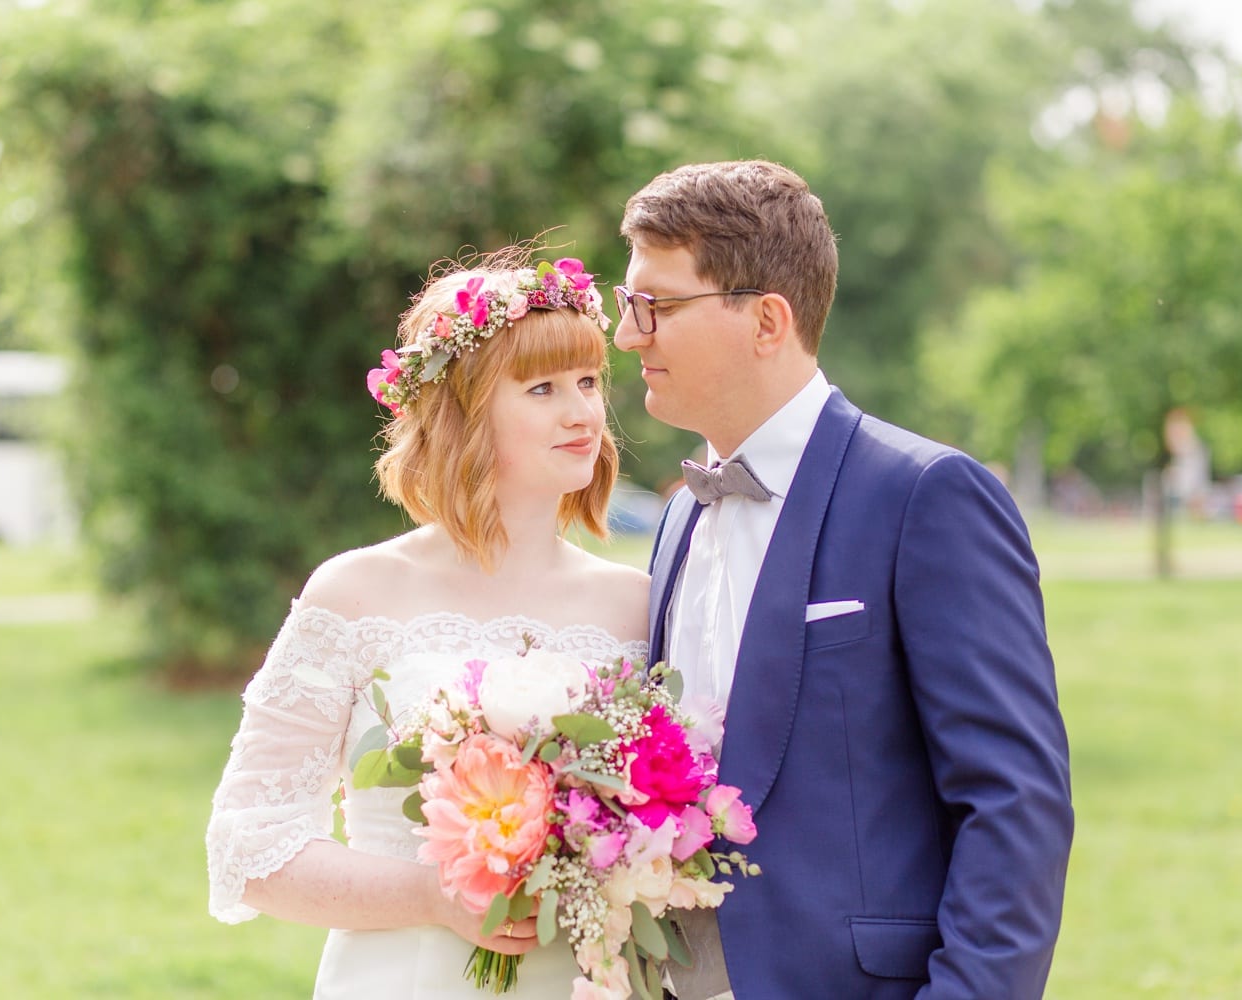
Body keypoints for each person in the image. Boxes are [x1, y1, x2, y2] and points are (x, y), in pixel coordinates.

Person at [613, 161, 1074, 999]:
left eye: (657, 306)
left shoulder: (925, 495)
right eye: (627, 305)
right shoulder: (678, 517)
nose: (629, 334)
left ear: (765, 320)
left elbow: (1013, 805)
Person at [205, 249, 650, 998]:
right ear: (464, 414)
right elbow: (248, 845)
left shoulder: (636, 605)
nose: (580, 411)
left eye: (587, 381)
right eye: (541, 388)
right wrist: (433, 898)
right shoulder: (355, 594)